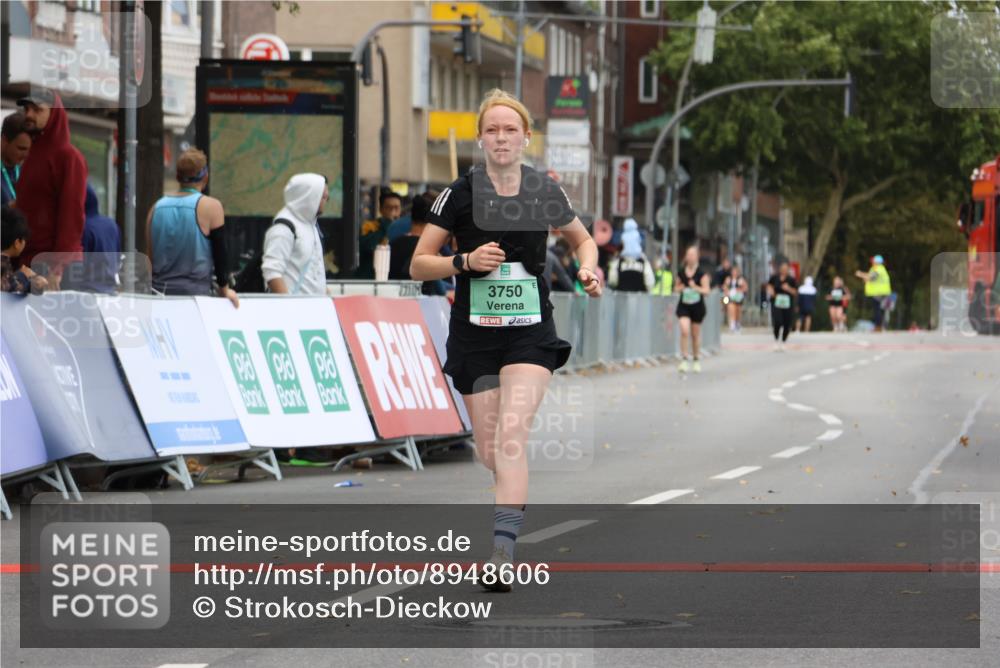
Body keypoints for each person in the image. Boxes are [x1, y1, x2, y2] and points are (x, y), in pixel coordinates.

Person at [410, 89, 601, 591]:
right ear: (480, 137)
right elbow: (418, 262)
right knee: (489, 450)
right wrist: (464, 262)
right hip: (475, 333)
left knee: (511, 438)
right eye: (492, 129)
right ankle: (510, 497)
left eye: (509, 129)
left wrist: (587, 269)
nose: (501, 137)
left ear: (525, 137)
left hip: (530, 332)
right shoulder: (460, 192)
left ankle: (501, 553)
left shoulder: (543, 189)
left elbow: (582, 239)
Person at [146, 148, 238, 307]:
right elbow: (220, 254)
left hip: (159, 297)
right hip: (195, 299)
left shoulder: (156, 208)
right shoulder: (211, 207)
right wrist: (224, 290)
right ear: (206, 177)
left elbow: (149, 259)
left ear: (177, 177)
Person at [15, 89, 88, 289]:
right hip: (28, 264)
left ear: (54, 114)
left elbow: (72, 216)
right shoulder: (32, 156)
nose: (29, 114)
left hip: (54, 270)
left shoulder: (68, 157)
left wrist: (57, 268)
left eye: (37, 109)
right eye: (27, 108)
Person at [262, 173, 329, 295]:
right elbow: (272, 272)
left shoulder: (311, 226)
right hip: (294, 311)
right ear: (310, 197)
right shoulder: (284, 228)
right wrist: (289, 307)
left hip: (314, 309)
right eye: (323, 197)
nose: (326, 201)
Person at [62, 184, 121, 294]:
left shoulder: (83, 229)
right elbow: (117, 258)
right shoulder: (112, 225)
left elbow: (77, 268)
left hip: (87, 293)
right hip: (109, 291)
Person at [674, 245, 711, 372]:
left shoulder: (702, 273)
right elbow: (676, 288)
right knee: (684, 330)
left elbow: (706, 291)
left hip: (697, 306)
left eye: (692, 255)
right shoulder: (681, 271)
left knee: (695, 334)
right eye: (688, 255)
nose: (689, 257)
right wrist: (682, 288)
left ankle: (696, 358)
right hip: (684, 305)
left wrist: (695, 287)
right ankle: (684, 358)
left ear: (697, 257)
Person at [1, 205, 47, 294]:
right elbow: (8, 286)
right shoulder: (3, 263)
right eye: (24, 240)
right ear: (17, 243)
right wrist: (25, 276)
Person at [357, 189, 401, 278]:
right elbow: (368, 246)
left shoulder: (404, 228)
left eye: (396, 207)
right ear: (381, 209)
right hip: (371, 276)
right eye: (389, 207)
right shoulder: (370, 226)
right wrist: (388, 223)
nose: (393, 211)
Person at [607, 218, 654, 292]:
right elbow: (650, 283)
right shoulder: (644, 262)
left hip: (621, 301)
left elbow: (612, 281)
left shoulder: (618, 262)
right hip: (639, 301)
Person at [1, 112, 31, 207]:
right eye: (21, 148)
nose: (26, 155)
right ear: (4, 141)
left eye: (30, 150)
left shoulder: (26, 171)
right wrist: (10, 208)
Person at [855, 254, 891, 331]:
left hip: (878, 293)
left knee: (877, 310)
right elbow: (871, 279)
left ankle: (878, 326)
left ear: (877, 262)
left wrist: (860, 274)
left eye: (873, 261)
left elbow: (871, 277)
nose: (872, 262)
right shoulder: (880, 269)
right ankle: (880, 326)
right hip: (882, 292)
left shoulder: (878, 269)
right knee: (881, 310)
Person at [767, 260, 798, 350]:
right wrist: (771, 291)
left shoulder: (791, 279)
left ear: (788, 269)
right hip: (776, 302)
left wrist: (788, 289)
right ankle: (776, 340)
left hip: (787, 303)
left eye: (786, 269)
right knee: (777, 321)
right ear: (780, 269)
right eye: (782, 268)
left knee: (787, 323)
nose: (784, 270)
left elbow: (795, 292)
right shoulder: (775, 277)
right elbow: (769, 286)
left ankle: (784, 341)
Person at [722, 264, 748, 332]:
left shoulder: (741, 279)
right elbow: (724, 287)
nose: (734, 273)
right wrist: (727, 291)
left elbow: (745, 288)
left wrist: (739, 290)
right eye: (733, 271)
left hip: (738, 297)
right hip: (730, 297)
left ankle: (737, 323)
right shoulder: (728, 279)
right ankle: (732, 324)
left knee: (738, 310)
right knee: (731, 308)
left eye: (735, 271)